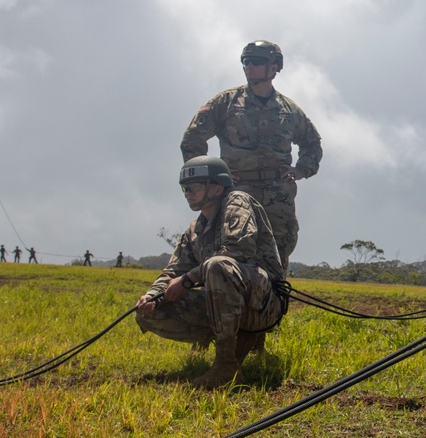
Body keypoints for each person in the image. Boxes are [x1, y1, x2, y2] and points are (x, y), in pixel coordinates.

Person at [136, 156, 287, 389]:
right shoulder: (195, 229)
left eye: (194, 186)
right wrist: (152, 296)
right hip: (224, 306)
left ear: (217, 187)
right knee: (150, 312)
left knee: (218, 265)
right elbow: (173, 269)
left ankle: (226, 364)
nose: (188, 193)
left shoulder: (237, 201)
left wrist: (187, 280)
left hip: (263, 304)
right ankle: (230, 340)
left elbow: (237, 250)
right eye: (184, 188)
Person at [181, 40, 322, 272]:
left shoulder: (289, 110)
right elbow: (192, 139)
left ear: (274, 67)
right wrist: (210, 179)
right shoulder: (225, 103)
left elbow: (312, 143)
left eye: (256, 62)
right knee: (230, 253)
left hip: (278, 198)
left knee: (277, 257)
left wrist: (301, 170)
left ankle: (271, 305)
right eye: (245, 62)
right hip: (235, 192)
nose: (249, 66)